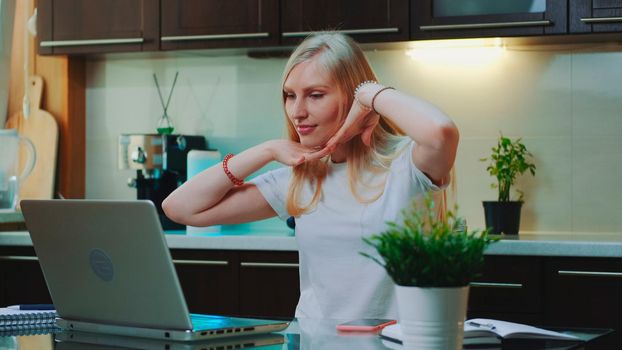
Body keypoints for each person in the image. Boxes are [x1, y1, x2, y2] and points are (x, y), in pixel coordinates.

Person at [162, 32, 459, 319]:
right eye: (290, 96)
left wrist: (369, 93)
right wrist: (265, 150)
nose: (297, 111)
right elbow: (180, 208)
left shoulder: (406, 163)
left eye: (315, 95)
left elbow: (441, 132)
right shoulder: (299, 179)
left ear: (354, 97)